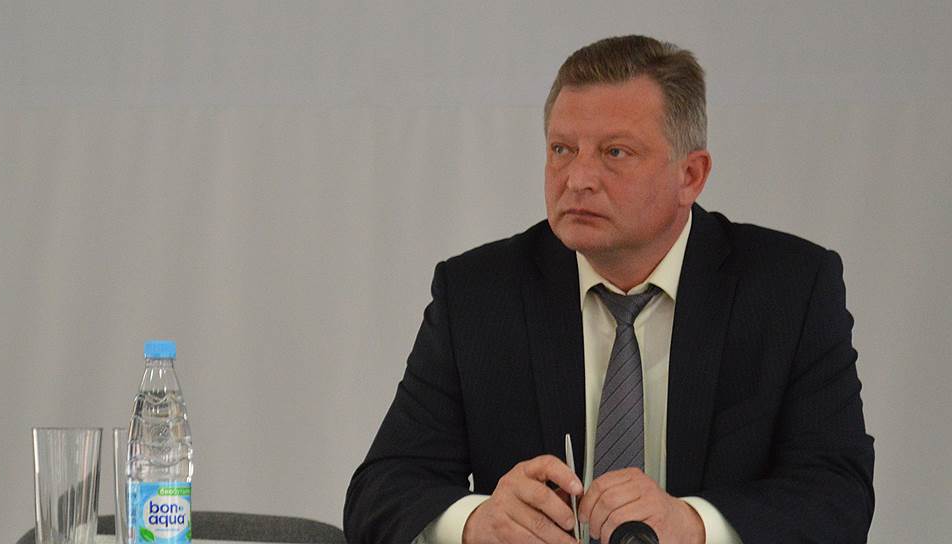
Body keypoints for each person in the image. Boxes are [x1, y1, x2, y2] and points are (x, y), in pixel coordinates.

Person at [344, 35, 875, 544]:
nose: (577, 178)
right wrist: (478, 522)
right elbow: (381, 490)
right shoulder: (479, 294)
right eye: (562, 149)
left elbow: (838, 494)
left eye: (615, 152)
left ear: (690, 175)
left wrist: (693, 525)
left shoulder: (790, 289)